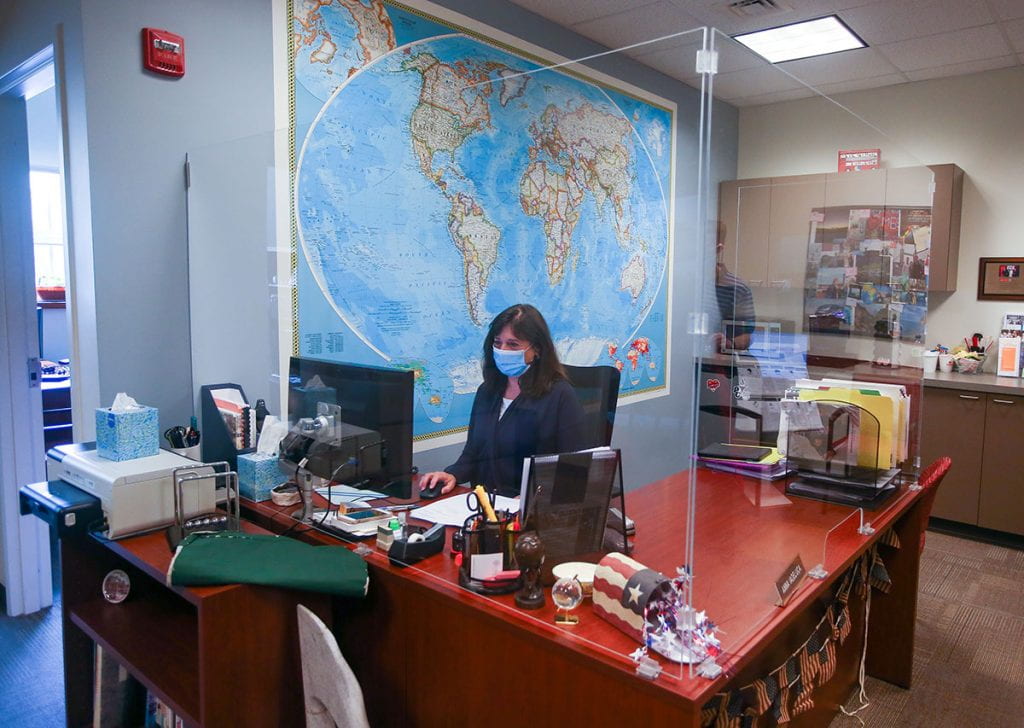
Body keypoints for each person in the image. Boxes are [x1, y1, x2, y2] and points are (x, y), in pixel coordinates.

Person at [418, 304, 585, 498]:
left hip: (530, 509)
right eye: (498, 343)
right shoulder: (487, 391)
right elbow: (474, 451)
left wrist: (530, 497)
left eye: (513, 344)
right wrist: (452, 474)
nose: (503, 350)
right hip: (485, 507)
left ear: (537, 349)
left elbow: (572, 467)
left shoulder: (559, 395)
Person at [711, 221, 755, 352]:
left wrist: (728, 343)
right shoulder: (680, 285)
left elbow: (748, 336)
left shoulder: (737, 289)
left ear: (718, 249)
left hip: (717, 367)